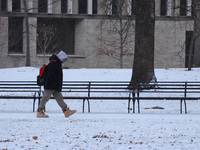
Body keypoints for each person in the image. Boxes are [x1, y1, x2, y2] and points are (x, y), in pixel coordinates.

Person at [37, 50, 76, 118]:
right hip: (50, 85)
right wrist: (54, 83)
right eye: (64, 59)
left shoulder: (57, 63)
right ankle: (40, 111)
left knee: (59, 98)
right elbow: (51, 75)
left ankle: (65, 110)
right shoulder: (54, 63)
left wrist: (57, 85)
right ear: (61, 57)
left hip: (54, 85)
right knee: (46, 97)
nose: (64, 60)